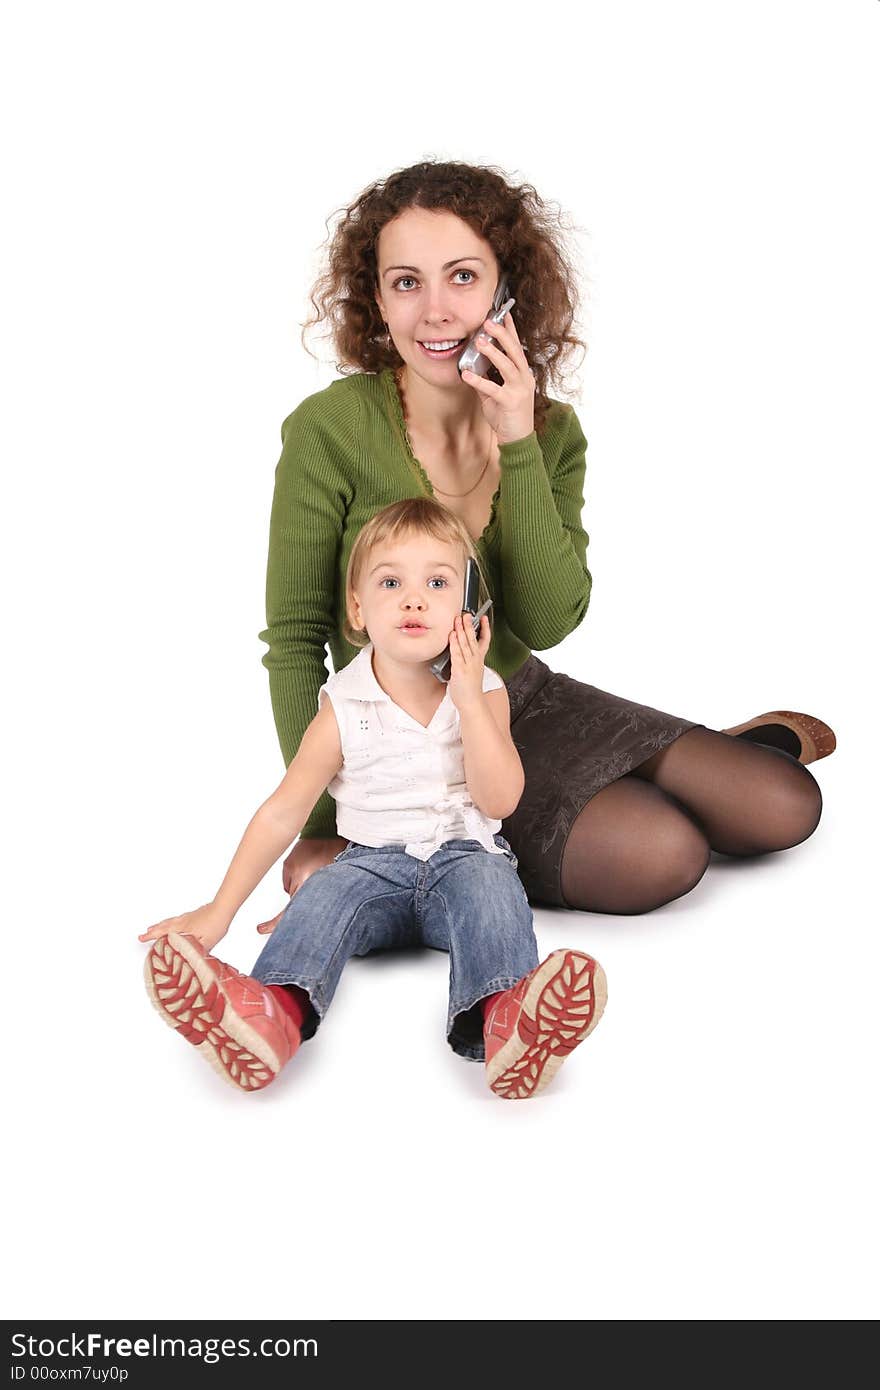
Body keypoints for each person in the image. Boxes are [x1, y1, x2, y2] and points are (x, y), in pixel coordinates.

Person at [256, 158, 834, 922]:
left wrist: (517, 440)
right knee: (664, 853)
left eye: (462, 278)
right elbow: (294, 639)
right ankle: (656, 778)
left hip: (521, 695)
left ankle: (693, 761)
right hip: (410, 746)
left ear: (505, 289)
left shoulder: (551, 431)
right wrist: (337, 825)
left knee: (784, 804)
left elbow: (551, 618)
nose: (435, 311)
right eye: (406, 282)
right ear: (378, 299)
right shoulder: (329, 430)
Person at [140, 499, 607, 1098]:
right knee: (325, 895)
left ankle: (506, 1021)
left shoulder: (484, 691)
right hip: (370, 865)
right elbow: (283, 809)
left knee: (493, 892)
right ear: (358, 609)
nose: (414, 599)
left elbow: (502, 798)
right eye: (391, 582)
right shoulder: (344, 704)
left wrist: (467, 697)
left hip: (464, 856)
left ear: (465, 609)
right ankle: (270, 1013)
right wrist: (219, 910)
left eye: (437, 582)